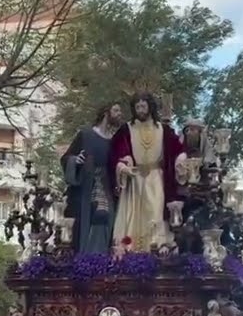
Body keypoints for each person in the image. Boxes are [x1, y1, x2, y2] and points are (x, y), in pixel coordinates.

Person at [109, 91, 185, 249]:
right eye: (137, 107)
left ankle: (156, 249)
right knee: (132, 216)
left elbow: (178, 149)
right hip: (134, 179)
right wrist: (123, 165)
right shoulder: (126, 129)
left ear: (150, 107)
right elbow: (117, 152)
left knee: (155, 213)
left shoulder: (163, 129)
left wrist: (181, 160)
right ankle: (130, 250)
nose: (140, 110)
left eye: (143, 106)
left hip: (156, 179)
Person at [59, 104, 121, 253]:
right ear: (106, 113)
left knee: (106, 219)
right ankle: (85, 260)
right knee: (84, 224)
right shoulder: (86, 135)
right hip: (84, 191)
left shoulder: (114, 141)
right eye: (116, 110)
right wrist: (76, 160)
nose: (120, 114)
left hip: (106, 189)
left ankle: (101, 259)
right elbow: (66, 158)